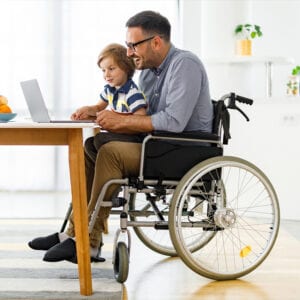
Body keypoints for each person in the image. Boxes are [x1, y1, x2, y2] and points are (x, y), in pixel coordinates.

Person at [28, 10, 213, 263]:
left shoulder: (185, 65)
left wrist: (122, 121)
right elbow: (132, 109)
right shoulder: (148, 72)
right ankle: (72, 232)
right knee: (91, 145)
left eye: (132, 45)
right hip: (155, 144)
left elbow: (174, 122)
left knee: (111, 153)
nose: (128, 53)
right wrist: (98, 112)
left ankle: (88, 239)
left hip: (179, 149)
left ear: (156, 42)